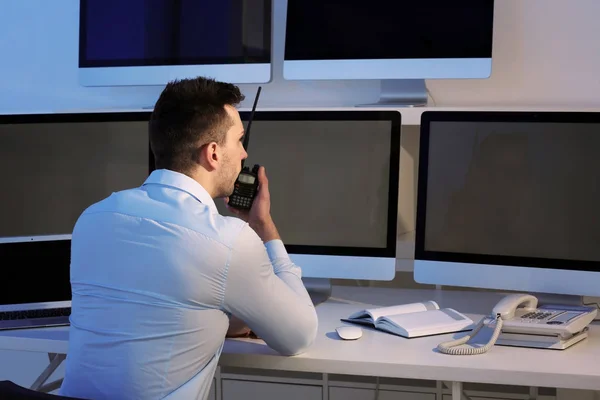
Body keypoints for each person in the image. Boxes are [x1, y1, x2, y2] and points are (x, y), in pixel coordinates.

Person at [60, 77, 318, 400]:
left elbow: (157, 307)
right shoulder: (228, 242)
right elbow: (300, 334)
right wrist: (264, 226)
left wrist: (225, 319)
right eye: (239, 140)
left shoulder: (91, 220)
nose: (244, 153)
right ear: (212, 153)